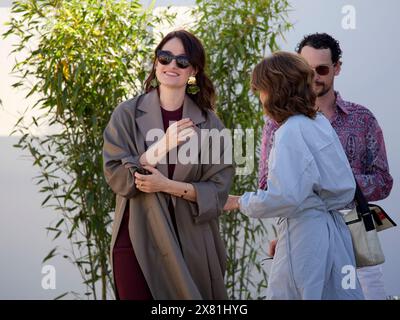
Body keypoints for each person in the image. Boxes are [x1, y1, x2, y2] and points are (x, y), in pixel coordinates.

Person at [103, 30, 234, 300]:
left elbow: (218, 191)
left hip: (191, 243)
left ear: (193, 70)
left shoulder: (210, 124)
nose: (171, 65)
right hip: (137, 239)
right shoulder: (126, 114)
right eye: (164, 58)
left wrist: (168, 186)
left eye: (182, 61)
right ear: (155, 63)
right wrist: (160, 147)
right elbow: (116, 176)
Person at [223, 51, 365, 300]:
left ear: (275, 91)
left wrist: (239, 201)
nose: (260, 98)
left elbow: (285, 197)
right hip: (330, 232)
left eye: (261, 91)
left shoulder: (290, 132)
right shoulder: (318, 123)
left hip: (305, 238)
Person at [263, 33, 393, 300]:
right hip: (304, 237)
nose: (314, 77)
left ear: (337, 68)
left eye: (322, 69)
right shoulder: (277, 123)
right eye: (305, 69)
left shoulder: (362, 118)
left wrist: (337, 184)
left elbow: (383, 181)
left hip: (355, 234)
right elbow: (266, 183)